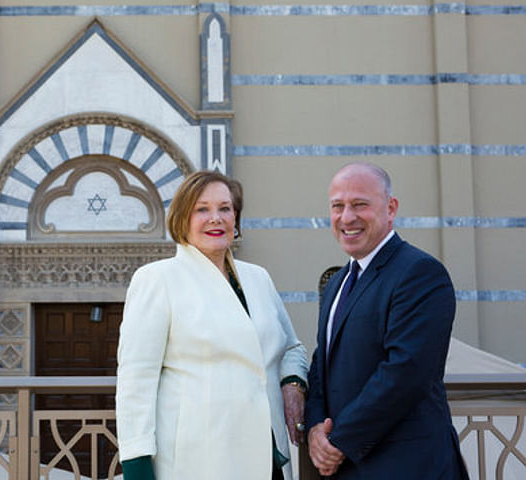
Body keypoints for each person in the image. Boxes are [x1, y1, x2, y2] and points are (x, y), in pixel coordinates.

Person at [116, 170, 309, 480]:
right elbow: (135, 383)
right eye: (201, 209)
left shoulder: (258, 278)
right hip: (200, 461)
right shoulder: (157, 279)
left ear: (236, 218)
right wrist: (137, 468)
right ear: (182, 218)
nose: (215, 218)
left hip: (267, 454)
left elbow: (290, 347)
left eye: (225, 208)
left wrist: (293, 383)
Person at [305, 162, 469, 479]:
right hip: (349, 465)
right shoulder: (338, 282)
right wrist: (314, 428)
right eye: (337, 206)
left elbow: (405, 372)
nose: (346, 217)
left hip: (408, 465)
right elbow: (321, 363)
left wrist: (338, 442)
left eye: (360, 205)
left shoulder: (420, 273)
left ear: (390, 208)